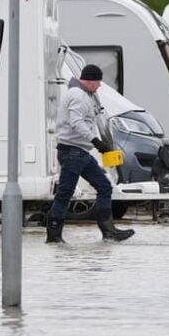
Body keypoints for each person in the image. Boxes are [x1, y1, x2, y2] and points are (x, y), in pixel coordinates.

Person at [47, 64, 135, 243]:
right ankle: (54, 235)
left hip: (80, 152)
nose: (100, 85)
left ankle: (109, 231)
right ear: (88, 81)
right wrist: (95, 141)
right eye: (97, 82)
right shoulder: (78, 96)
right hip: (72, 151)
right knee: (65, 193)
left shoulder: (87, 94)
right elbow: (76, 122)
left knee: (104, 186)